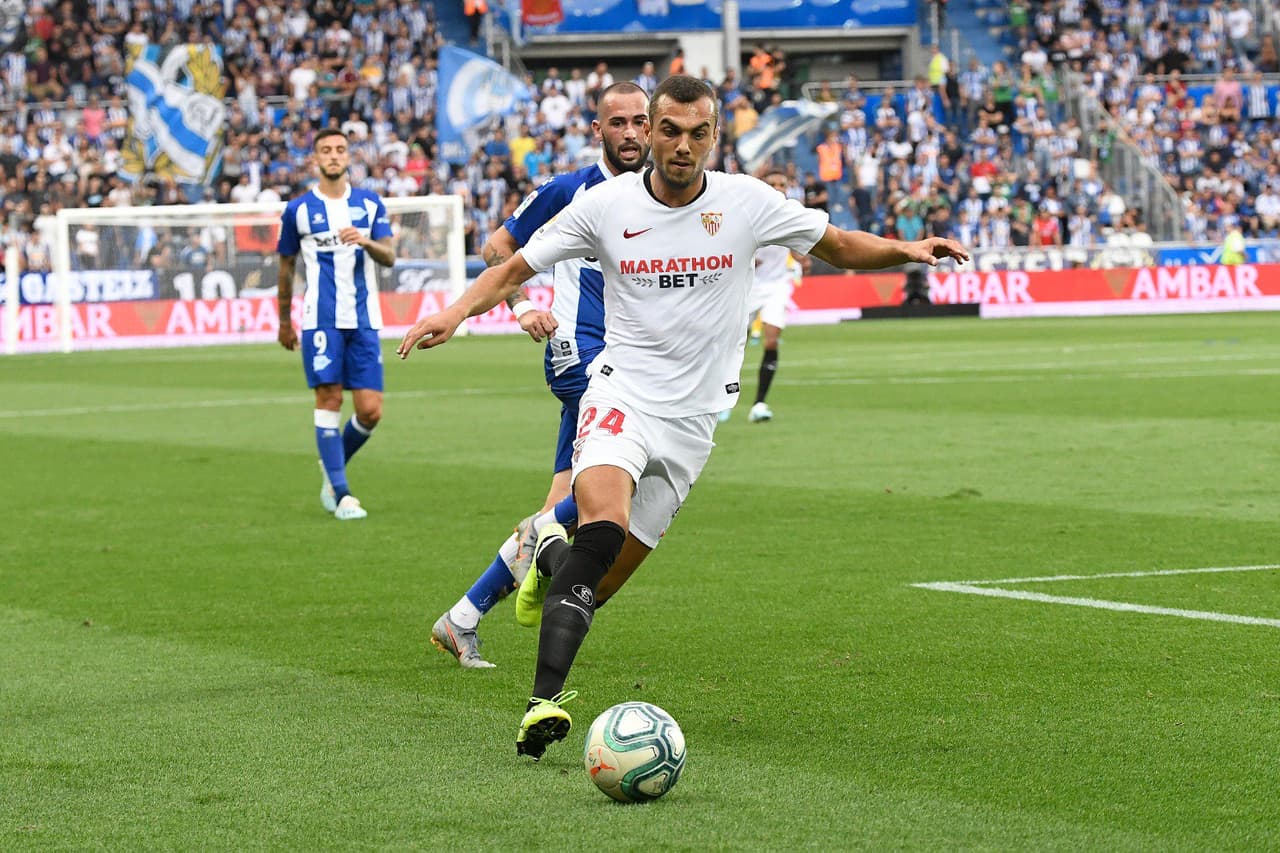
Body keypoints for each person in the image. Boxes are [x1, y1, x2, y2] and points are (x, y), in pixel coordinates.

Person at [396, 76, 968, 760]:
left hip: (694, 423)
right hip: (620, 396)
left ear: (716, 137)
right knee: (602, 531)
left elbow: (838, 244)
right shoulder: (604, 206)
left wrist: (908, 249)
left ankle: (547, 551)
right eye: (669, 130)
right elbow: (510, 266)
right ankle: (541, 703)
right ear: (652, 132)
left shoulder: (746, 202)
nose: (681, 145)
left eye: (698, 133)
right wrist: (454, 313)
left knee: (596, 586)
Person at [429, 82, 653, 668]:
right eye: (618, 122)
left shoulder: (663, 197)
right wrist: (524, 306)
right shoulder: (567, 190)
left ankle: (463, 617)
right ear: (597, 127)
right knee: (609, 489)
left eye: (639, 121)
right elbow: (496, 248)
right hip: (584, 356)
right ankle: (543, 551)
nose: (630, 132)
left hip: (633, 362)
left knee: (567, 501)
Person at [277, 128, 395, 521]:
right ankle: (342, 493)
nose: (333, 155)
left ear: (349, 157)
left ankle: (331, 468)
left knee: (370, 410)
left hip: (363, 319)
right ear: (315, 158)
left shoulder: (369, 204)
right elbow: (285, 267)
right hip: (320, 321)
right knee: (329, 400)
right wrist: (284, 321)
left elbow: (390, 256)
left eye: (340, 149)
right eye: (325, 150)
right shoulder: (298, 210)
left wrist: (364, 241)